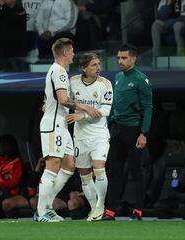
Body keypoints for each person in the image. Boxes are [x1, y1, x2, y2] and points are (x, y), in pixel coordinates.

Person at [37, 38, 101, 222]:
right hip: (53, 124)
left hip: (61, 124)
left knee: (69, 165)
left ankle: (47, 205)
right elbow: (63, 99)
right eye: (72, 50)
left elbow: (52, 97)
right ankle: (41, 212)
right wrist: (86, 108)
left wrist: (48, 104)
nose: (74, 53)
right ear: (64, 52)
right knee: (52, 166)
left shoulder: (58, 71)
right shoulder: (59, 71)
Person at [103, 44, 153, 221]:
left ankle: (138, 210)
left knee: (136, 171)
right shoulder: (117, 77)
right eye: (118, 58)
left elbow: (148, 107)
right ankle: (110, 211)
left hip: (133, 130)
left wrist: (143, 133)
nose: (120, 61)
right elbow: (114, 104)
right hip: (117, 129)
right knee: (114, 171)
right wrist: (109, 126)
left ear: (133, 59)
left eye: (124, 58)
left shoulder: (141, 80)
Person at [66, 53, 113, 221]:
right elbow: (63, 99)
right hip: (80, 136)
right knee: (84, 175)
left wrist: (83, 116)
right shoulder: (73, 82)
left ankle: (100, 205)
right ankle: (94, 209)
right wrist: (45, 102)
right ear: (84, 68)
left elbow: (106, 111)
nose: (98, 68)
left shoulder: (105, 84)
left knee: (99, 169)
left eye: (99, 64)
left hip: (99, 134)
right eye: (93, 65)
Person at [0, 134, 25, 218]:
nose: (2, 147)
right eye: (1, 144)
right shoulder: (0, 161)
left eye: (5, 144)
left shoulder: (18, 163)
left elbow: (13, 182)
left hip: (11, 192)